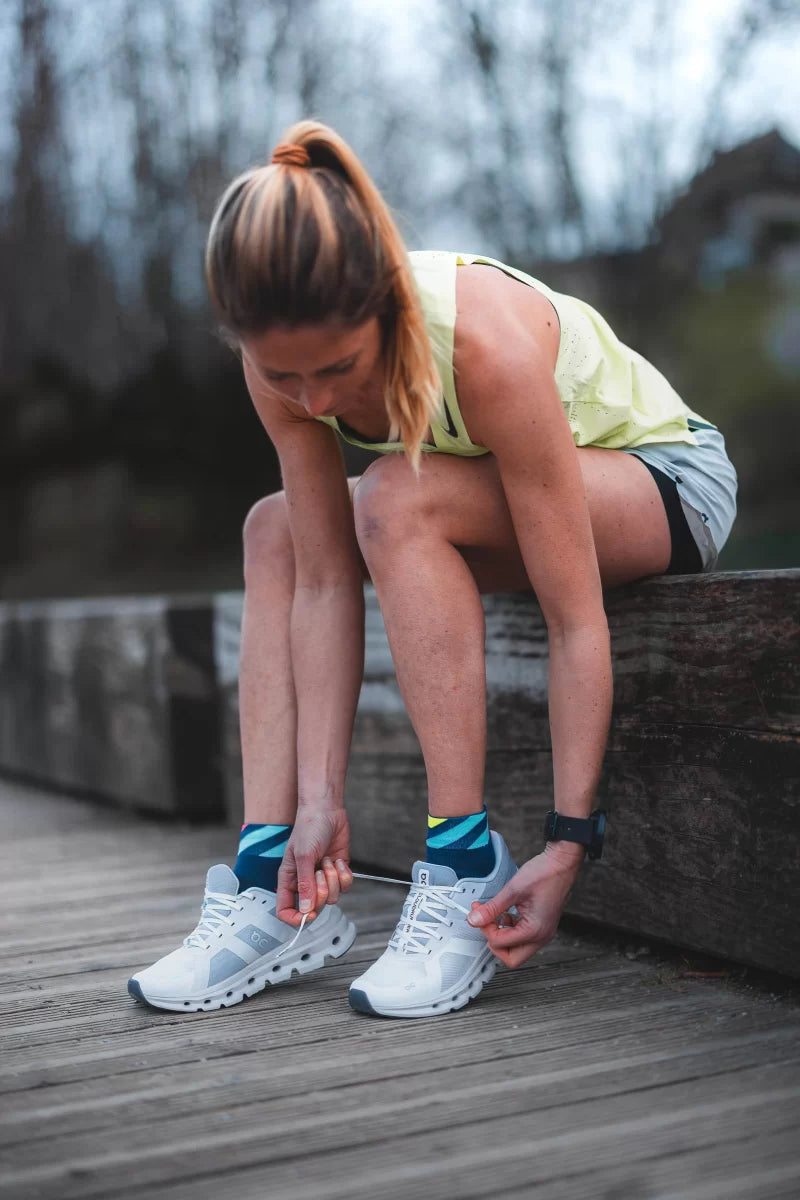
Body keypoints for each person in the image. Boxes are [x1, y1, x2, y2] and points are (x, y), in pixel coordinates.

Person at [128, 120, 738, 1018]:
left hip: (664, 482)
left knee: (392, 495)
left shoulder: (479, 345)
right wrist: (317, 802)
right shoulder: (281, 362)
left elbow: (574, 618)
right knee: (277, 532)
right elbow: (328, 580)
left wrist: (569, 841)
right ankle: (270, 882)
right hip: (504, 508)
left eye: (336, 368)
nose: (317, 401)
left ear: (383, 301)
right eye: (284, 377)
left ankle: (460, 861)